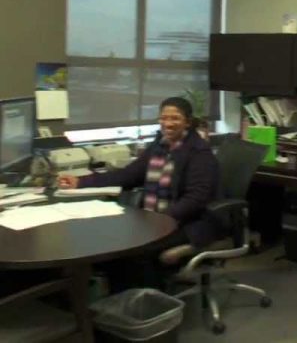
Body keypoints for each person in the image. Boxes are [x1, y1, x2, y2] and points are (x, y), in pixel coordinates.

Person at [58, 97, 222, 289]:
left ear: (187, 122)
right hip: (152, 220)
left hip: (186, 224)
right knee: (110, 242)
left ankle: (147, 298)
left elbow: (196, 199)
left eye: (175, 118)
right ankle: (121, 296)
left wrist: (162, 219)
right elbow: (128, 175)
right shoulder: (159, 145)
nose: (168, 123)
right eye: (164, 118)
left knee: (132, 251)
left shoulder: (199, 153)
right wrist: (81, 182)